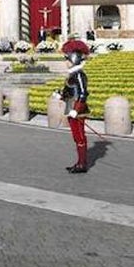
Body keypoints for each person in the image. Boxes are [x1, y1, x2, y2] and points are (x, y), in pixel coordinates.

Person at [58, 39, 91, 173]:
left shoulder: (79, 75)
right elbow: (70, 91)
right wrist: (60, 95)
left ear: (74, 59)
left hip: (77, 110)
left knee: (80, 136)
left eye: (67, 58)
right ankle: (79, 162)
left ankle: (82, 164)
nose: (66, 62)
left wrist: (76, 111)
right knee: (76, 136)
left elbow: (83, 93)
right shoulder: (73, 74)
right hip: (71, 108)